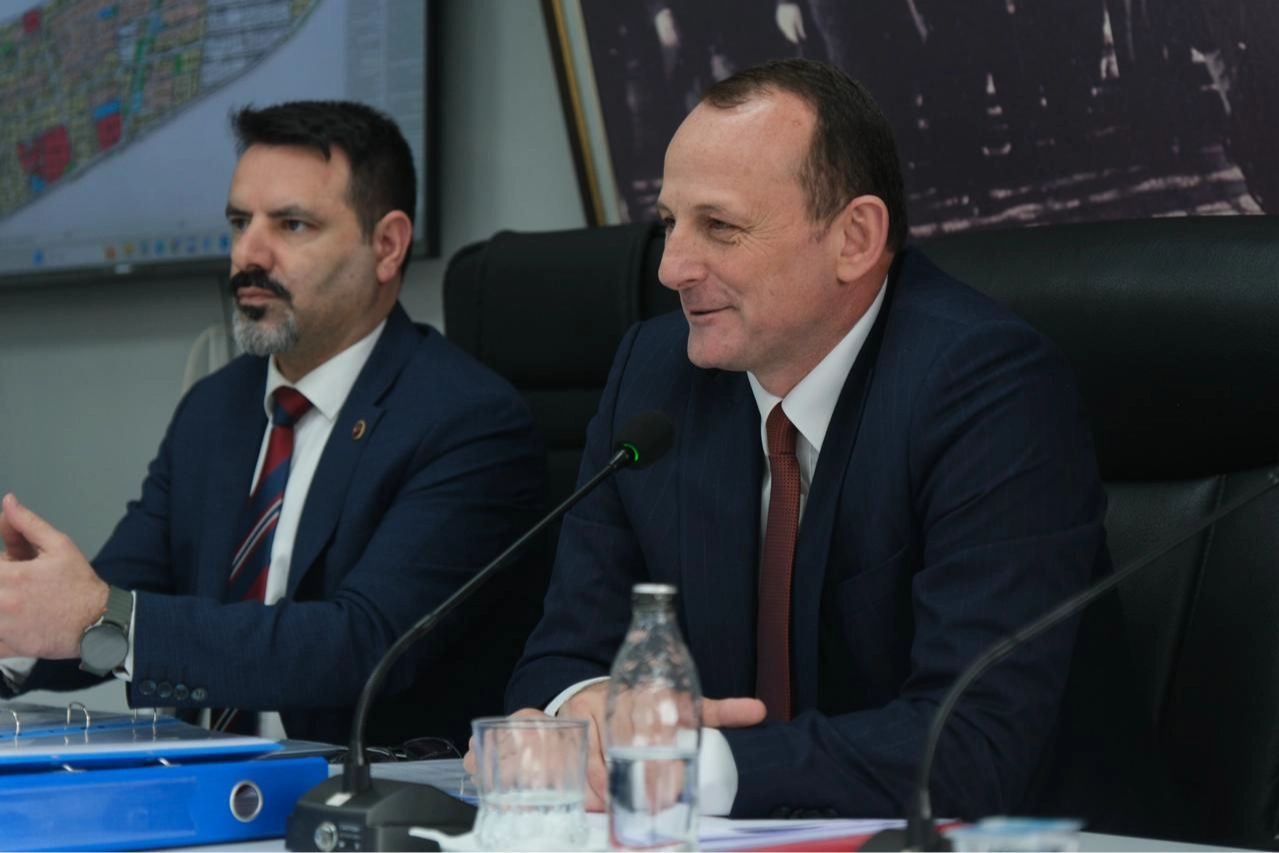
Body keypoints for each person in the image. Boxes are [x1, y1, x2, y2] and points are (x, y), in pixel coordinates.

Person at [490, 60, 1148, 824]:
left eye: (719, 227)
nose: (671, 268)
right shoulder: (654, 375)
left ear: (853, 238)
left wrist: (686, 764)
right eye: (669, 223)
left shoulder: (984, 386)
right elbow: (558, 656)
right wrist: (582, 709)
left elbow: (971, 743)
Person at [0, 100, 546, 749]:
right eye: (239, 222)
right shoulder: (214, 409)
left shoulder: (466, 420)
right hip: (208, 781)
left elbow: (363, 643)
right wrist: (23, 611)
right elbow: (110, 599)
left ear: (387, 245)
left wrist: (103, 615)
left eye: (291, 224)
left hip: (378, 789)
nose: (247, 254)